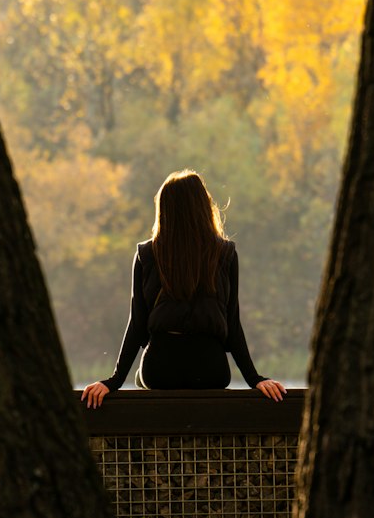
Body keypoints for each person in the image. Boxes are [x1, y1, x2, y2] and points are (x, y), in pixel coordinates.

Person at [81, 169, 286, 407]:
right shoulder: (225, 253)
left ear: (164, 210)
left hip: (160, 370)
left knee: (141, 376)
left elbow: (137, 324)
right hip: (211, 371)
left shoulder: (147, 254)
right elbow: (232, 323)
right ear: (203, 207)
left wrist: (113, 381)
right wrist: (255, 379)